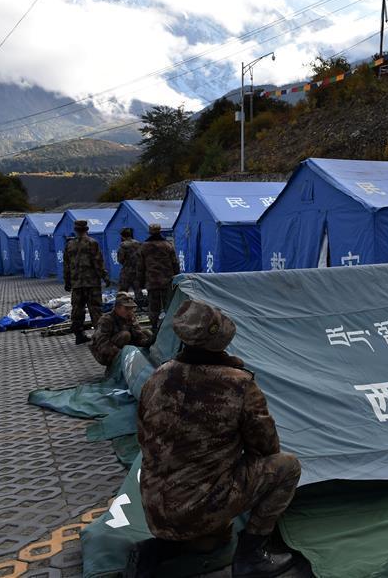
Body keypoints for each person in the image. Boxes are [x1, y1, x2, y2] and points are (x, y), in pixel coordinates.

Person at [133, 300, 301, 577]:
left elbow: (143, 435)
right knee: (287, 466)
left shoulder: (158, 376)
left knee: (214, 539)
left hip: (154, 507)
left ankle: (163, 547)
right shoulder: (238, 384)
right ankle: (252, 555)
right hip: (197, 507)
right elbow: (266, 447)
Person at [64, 219, 111, 345]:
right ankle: (100, 336)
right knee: (95, 309)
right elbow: (98, 263)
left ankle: (79, 335)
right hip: (92, 283)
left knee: (77, 310)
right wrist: (105, 277)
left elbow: (66, 265)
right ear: (87, 229)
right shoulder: (92, 243)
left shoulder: (69, 245)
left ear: (75, 230)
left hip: (76, 283)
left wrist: (67, 281)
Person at [89, 292, 153, 366]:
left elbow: (138, 335)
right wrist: (123, 353)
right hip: (105, 353)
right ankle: (117, 363)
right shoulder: (106, 320)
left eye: (131, 308)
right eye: (127, 308)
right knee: (125, 335)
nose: (130, 311)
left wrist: (148, 341)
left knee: (147, 332)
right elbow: (102, 344)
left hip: (122, 348)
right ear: (117, 307)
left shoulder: (130, 317)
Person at [138, 223, 180, 332]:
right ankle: (171, 326)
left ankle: (154, 327)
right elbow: (175, 263)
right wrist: (177, 278)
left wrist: (140, 283)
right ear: (160, 231)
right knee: (169, 305)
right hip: (167, 280)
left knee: (153, 306)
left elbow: (140, 266)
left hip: (152, 281)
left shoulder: (144, 247)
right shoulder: (168, 245)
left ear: (149, 232)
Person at [117, 228, 143, 305]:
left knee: (123, 291)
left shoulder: (123, 245)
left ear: (122, 236)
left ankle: (122, 305)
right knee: (138, 290)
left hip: (126, 271)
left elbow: (120, 259)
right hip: (137, 271)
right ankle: (140, 306)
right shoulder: (138, 244)